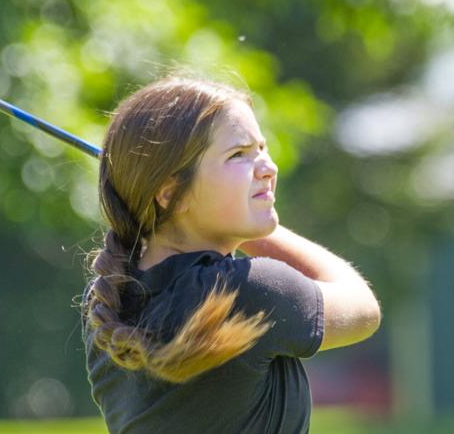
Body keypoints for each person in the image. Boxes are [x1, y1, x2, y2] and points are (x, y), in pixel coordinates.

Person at [81, 74, 381, 433]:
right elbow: (363, 308)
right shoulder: (251, 291)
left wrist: (245, 219)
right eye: (239, 154)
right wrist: (262, 230)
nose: (268, 168)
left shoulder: (107, 298)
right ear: (169, 190)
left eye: (261, 149)